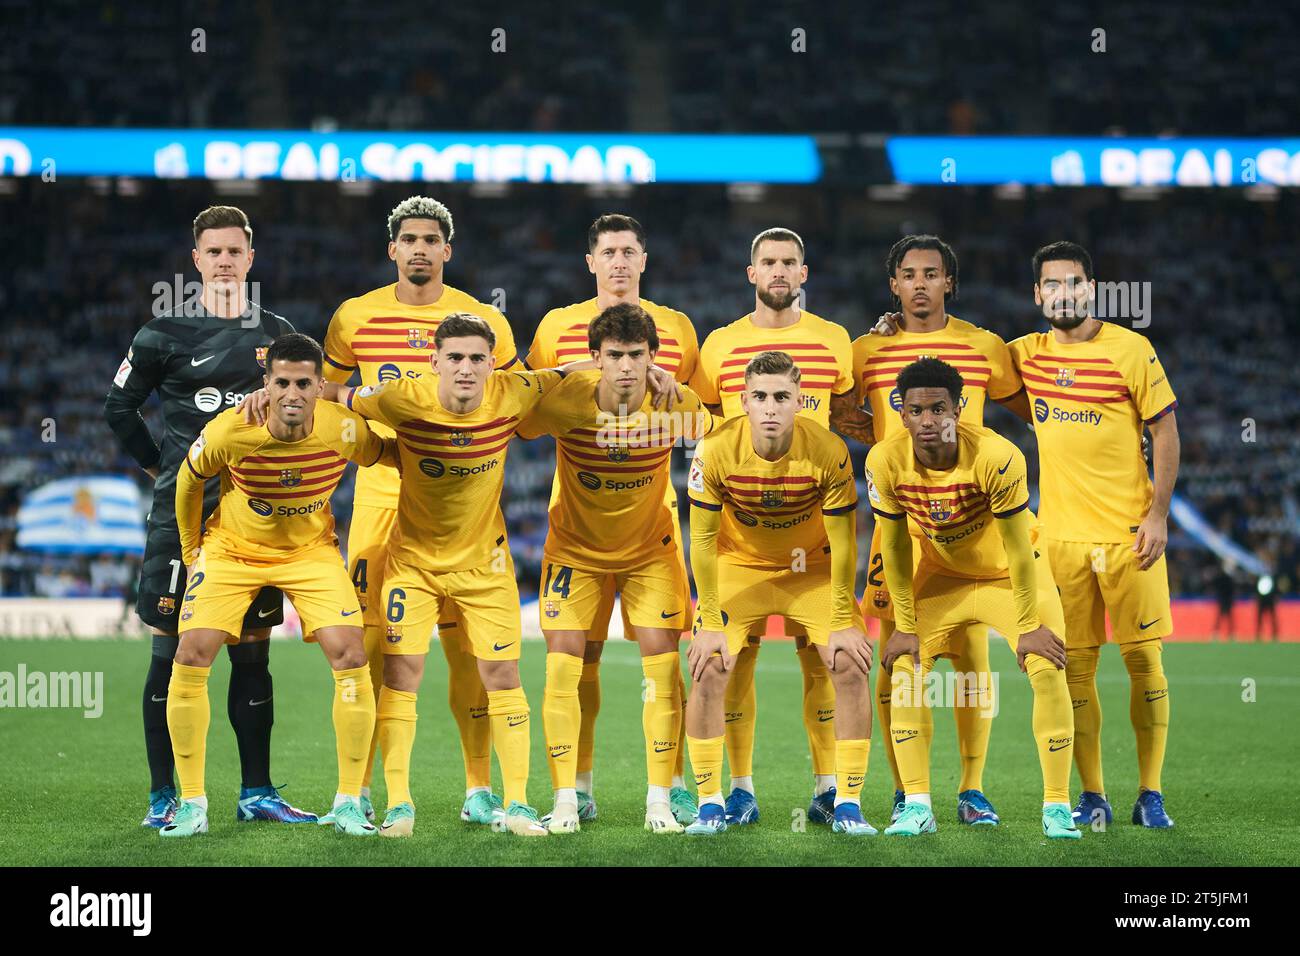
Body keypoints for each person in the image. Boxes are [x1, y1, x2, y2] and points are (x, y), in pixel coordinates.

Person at [104, 205, 312, 829]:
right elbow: (120, 410)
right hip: (181, 521)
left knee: (252, 653)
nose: (224, 261)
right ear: (196, 261)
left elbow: (302, 419)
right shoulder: (159, 337)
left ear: (251, 258)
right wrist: (158, 469)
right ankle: (164, 796)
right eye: (213, 252)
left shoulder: (277, 339)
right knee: (169, 653)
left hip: (255, 523)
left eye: (235, 252)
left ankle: (257, 793)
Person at [316, 196, 519, 828]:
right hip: (379, 500)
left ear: (447, 250)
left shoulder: (484, 321)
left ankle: (479, 790)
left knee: (469, 654)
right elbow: (325, 394)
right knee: (372, 651)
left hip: (461, 508)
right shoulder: (353, 317)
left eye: (433, 239)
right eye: (410, 239)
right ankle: (360, 791)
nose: (421, 249)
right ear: (393, 249)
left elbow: (513, 397)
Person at [338, 314, 563, 838]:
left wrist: (637, 371)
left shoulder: (512, 391)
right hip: (411, 565)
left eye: (477, 359)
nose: (466, 368)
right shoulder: (398, 398)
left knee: (502, 678)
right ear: (433, 361)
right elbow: (336, 396)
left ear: (492, 364)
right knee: (400, 677)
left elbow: (572, 370)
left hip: (486, 568)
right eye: (455, 358)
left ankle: (518, 804)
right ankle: (398, 805)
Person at [161, 333, 395, 838]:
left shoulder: (344, 429)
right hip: (233, 550)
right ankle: (193, 803)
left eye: (305, 384)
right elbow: (187, 479)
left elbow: (390, 456)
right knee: (191, 652)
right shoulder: (232, 429)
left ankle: (350, 801)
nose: (293, 393)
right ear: (266, 385)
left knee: (351, 654)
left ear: (320, 387)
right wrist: (190, 550)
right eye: (282, 382)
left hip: (310, 552)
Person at [831, 234, 1029, 827]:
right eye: (909, 274)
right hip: (901, 522)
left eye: (932, 273)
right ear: (893, 285)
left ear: (950, 282)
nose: (920, 283)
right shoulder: (866, 349)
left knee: (971, 658)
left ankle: (972, 790)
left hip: (967, 527)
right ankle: (906, 792)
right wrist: (889, 450)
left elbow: (1032, 407)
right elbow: (841, 414)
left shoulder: (984, 346)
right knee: (898, 659)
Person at [525, 213, 700, 827]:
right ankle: (575, 789)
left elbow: (703, 424)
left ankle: (670, 788)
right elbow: (517, 407)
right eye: (609, 252)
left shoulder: (678, 328)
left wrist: (676, 399)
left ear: (643, 259)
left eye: (630, 250)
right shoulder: (555, 330)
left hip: (653, 525)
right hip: (575, 521)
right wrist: (559, 378)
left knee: (663, 659)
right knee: (578, 660)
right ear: (591, 261)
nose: (620, 261)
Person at [870, 357, 1081, 840]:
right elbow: (897, 548)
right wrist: (905, 625)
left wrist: (1028, 625)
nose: (928, 421)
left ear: (959, 408)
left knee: (1048, 666)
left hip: (1010, 577)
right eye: (917, 410)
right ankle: (917, 804)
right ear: (901, 412)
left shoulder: (997, 457)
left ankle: (1057, 807)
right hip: (943, 577)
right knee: (906, 668)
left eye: (939, 409)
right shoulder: (884, 460)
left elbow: (1018, 548)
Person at [1008, 241, 1179, 829]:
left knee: (1143, 661)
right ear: (1038, 295)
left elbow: (1166, 430)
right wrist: (891, 326)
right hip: (1058, 541)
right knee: (1074, 671)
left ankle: (1151, 792)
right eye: (1051, 284)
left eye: (1074, 282)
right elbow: (961, 359)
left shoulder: (1131, 349)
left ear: (1092, 288)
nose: (1064, 293)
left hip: (1131, 535)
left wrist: (1158, 514)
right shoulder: (1023, 356)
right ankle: (1093, 794)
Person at [688, 227, 855, 826]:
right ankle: (738, 789)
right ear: (751, 272)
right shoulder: (719, 345)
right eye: (768, 262)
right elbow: (705, 427)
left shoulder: (837, 342)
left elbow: (854, 416)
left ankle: (830, 788)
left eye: (790, 262)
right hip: (741, 544)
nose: (779, 271)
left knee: (827, 663)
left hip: (813, 544)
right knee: (733, 664)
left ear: (803, 273)